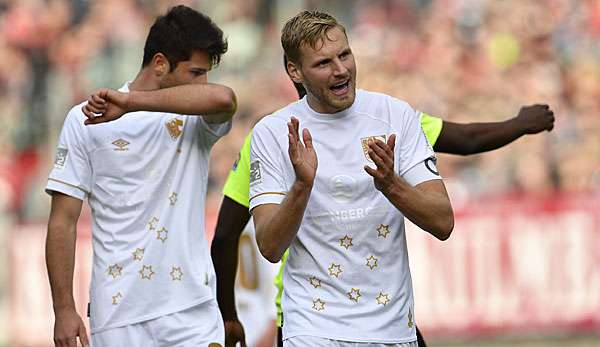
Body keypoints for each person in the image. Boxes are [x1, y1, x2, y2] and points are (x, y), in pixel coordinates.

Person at [249, 10, 456, 346]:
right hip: (313, 329)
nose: (341, 69)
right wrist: (302, 186)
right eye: (323, 63)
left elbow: (443, 222)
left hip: (392, 329)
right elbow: (270, 247)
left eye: (344, 55)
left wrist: (391, 184)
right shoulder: (272, 133)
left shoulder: (395, 115)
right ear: (294, 70)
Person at [45, 5, 236, 347]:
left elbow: (225, 98)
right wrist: (63, 309)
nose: (203, 83)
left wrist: (133, 102)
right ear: (160, 63)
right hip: (118, 314)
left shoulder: (196, 119)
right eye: (195, 73)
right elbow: (62, 221)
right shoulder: (84, 121)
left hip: (191, 309)